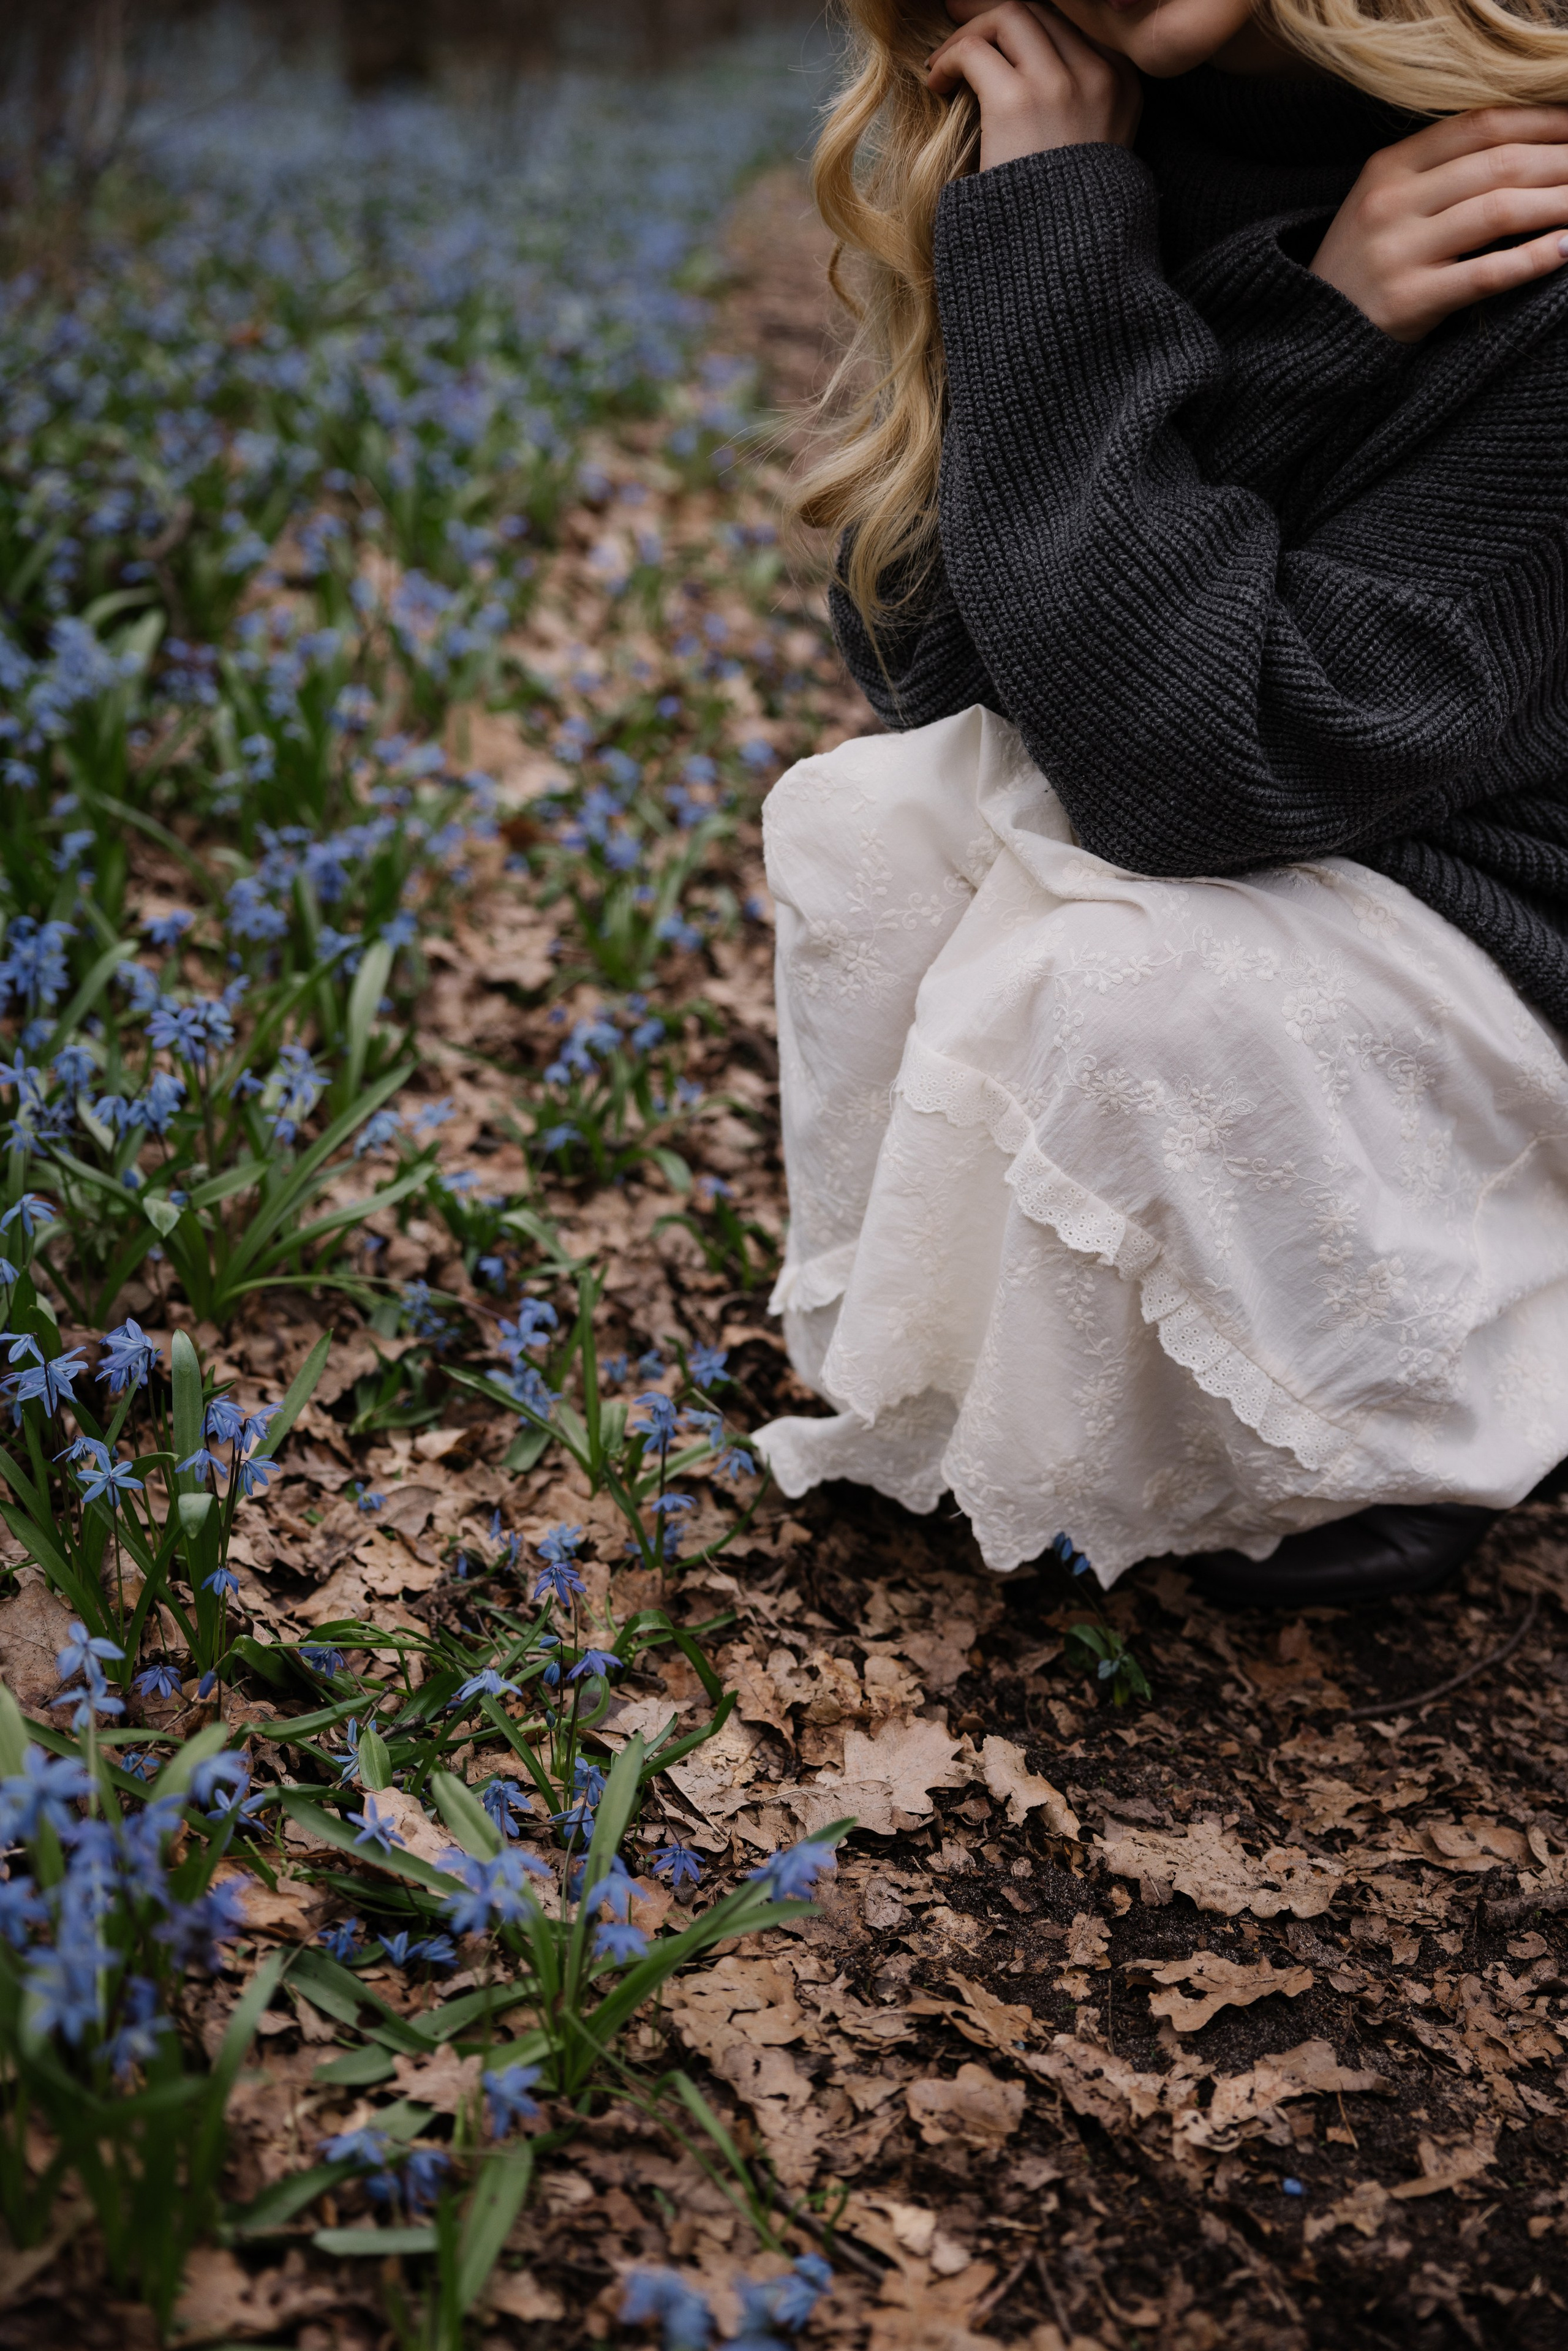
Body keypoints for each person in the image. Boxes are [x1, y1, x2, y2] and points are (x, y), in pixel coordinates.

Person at [751, 0, 1568, 1605]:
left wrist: (1176, 325)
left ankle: (1435, 1404)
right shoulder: (1072, 132)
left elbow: (1203, 765)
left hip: (1515, 918)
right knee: (875, 820)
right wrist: (1301, 330)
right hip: (1284, 823)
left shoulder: (1534, 177)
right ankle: (991, 1399)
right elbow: (946, 667)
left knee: (1123, 985)